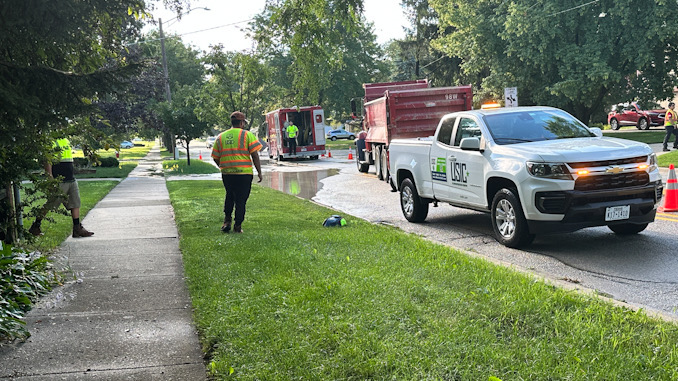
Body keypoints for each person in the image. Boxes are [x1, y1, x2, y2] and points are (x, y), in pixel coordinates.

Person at [29, 137, 94, 238]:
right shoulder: (51, 140)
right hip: (59, 179)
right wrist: (50, 177)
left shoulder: (66, 139)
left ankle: (77, 228)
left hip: (71, 178)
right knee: (51, 204)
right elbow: (47, 160)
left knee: (75, 203)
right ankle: (36, 225)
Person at [211, 111, 263, 233]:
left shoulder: (221, 137)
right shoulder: (247, 135)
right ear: (241, 123)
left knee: (229, 195)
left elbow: (215, 156)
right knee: (241, 200)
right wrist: (259, 172)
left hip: (228, 174)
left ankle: (227, 220)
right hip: (244, 174)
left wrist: (223, 167)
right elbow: (255, 155)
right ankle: (238, 226)